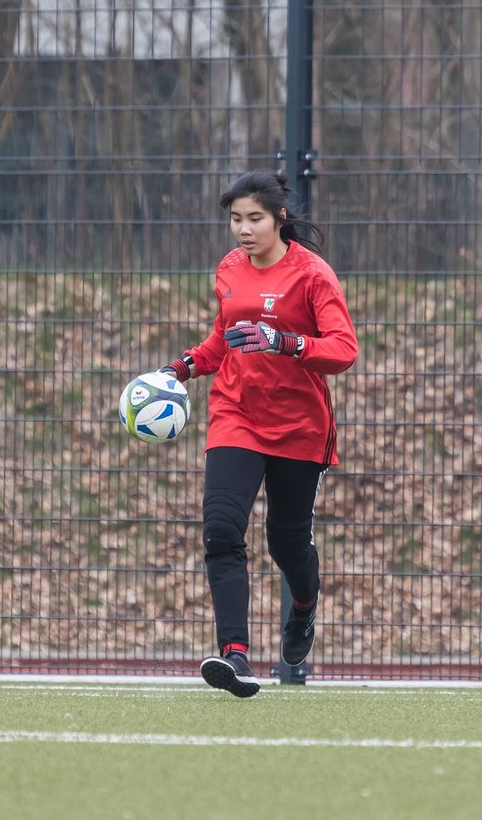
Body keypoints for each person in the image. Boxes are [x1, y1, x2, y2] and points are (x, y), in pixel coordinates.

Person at [159, 169, 358, 698]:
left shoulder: (312, 275)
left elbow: (343, 349)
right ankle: (235, 656)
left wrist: (287, 343)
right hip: (235, 415)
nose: (243, 230)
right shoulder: (229, 269)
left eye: (254, 219)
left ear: (279, 218)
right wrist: (181, 367)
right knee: (222, 531)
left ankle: (303, 607)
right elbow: (224, 339)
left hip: (299, 426)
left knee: (287, 544)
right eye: (235, 220)